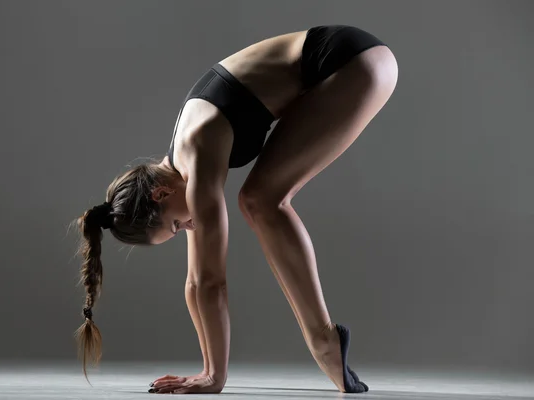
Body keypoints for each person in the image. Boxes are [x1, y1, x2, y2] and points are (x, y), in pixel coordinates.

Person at [73, 24, 398, 394]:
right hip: (349, 62)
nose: (190, 227)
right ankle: (324, 340)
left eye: (177, 226)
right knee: (258, 199)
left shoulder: (197, 149)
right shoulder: (183, 159)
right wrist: (209, 367)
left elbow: (210, 281)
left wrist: (215, 379)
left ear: (159, 195)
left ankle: (324, 341)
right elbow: (195, 283)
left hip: (353, 62)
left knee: (263, 200)